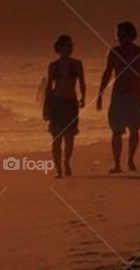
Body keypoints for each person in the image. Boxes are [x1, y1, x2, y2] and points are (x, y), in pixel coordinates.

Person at [96, 21, 140, 173]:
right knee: (116, 130)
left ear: (131, 36)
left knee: (134, 128)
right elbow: (107, 73)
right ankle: (117, 164)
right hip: (118, 94)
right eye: (118, 35)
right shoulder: (113, 52)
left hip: (134, 94)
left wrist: (135, 77)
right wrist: (100, 94)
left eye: (123, 35)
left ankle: (130, 159)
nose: (120, 38)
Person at [43, 35, 86, 178]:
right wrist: (45, 107)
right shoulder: (53, 66)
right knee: (56, 137)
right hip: (57, 102)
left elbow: (82, 82)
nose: (70, 48)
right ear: (59, 48)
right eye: (67, 45)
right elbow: (49, 87)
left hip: (70, 102)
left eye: (71, 45)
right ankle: (58, 168)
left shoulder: (77, 64)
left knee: (70, 136)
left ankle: (66, 161)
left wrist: (83, 97)